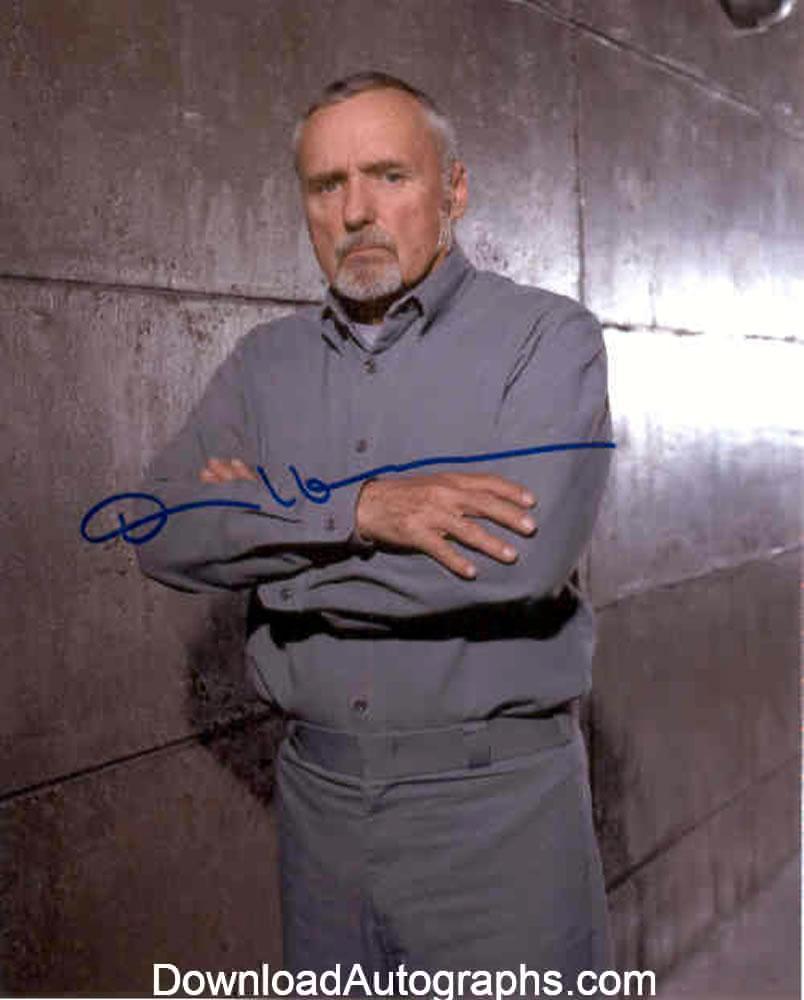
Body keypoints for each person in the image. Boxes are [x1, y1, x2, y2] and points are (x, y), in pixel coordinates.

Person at [136, 71, 614, 988]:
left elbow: (514, 562)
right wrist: (360, 511)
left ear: (454, 190)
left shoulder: (546, 340)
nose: (356, 211)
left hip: (498, 814)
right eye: (327, 185)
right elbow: (156, 526)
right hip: (318, 811)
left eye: (389, 176)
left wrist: (265, 541)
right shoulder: (263, 366)